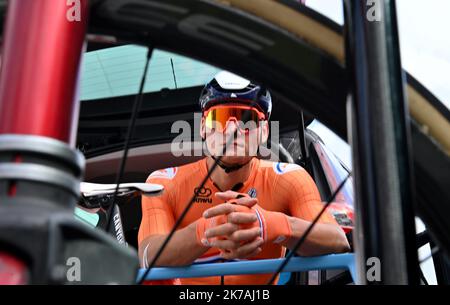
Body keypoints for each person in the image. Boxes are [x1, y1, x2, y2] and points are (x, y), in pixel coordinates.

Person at [138, 71, 350, 285]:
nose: (232, 130)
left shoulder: (290, 179)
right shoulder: (164, 182)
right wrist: (208, 228)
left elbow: (337, 240)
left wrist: (274, 225)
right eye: (220, 117)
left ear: (265, 131)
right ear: (203, 127)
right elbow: (148, 254)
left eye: (246, 120)